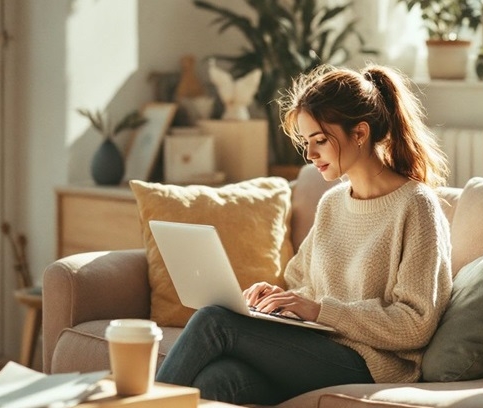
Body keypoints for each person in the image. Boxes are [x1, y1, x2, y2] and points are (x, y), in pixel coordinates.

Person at [155, 64, 453, 405]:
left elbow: (415, 323)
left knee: (214, 322)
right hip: (314, 350)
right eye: (306, 143)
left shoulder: (416, 206)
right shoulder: (333, 203)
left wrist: (318, 311)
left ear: (360, 133)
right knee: (218, 380)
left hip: (370, 363)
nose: (311, 155)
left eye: (321, 141)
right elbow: (302, 283)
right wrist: (278, 303)